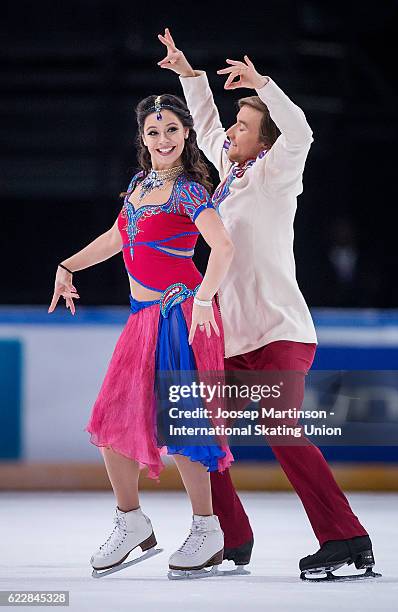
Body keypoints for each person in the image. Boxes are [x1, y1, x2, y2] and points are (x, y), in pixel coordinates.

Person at [157, 27, 378, 580]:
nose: (232, 130)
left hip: (279, 331)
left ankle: (346, 537)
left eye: (245, 125)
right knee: (198, 428)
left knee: (282, 429)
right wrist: (189, 74)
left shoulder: (277, 177)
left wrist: (264, 85)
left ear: (265, 142)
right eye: (236, 122)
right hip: (231, 336)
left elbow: (300, 131)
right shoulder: (229, 177)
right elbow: (206, 125)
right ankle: (233, 538)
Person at [48, 91, 236, 578]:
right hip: (142, 317)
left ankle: (206, 528)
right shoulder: (138, 185)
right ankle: (131, 521)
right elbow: (116, 239)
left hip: (179, 314)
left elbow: (223, 247)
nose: (163, 138)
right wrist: (68, 265)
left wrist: (201, 298)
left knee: (184, 423)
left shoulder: (192, 190)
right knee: (111, 418)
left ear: (187, 134)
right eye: (154, 131)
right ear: (142, 138)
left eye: (172, 129)